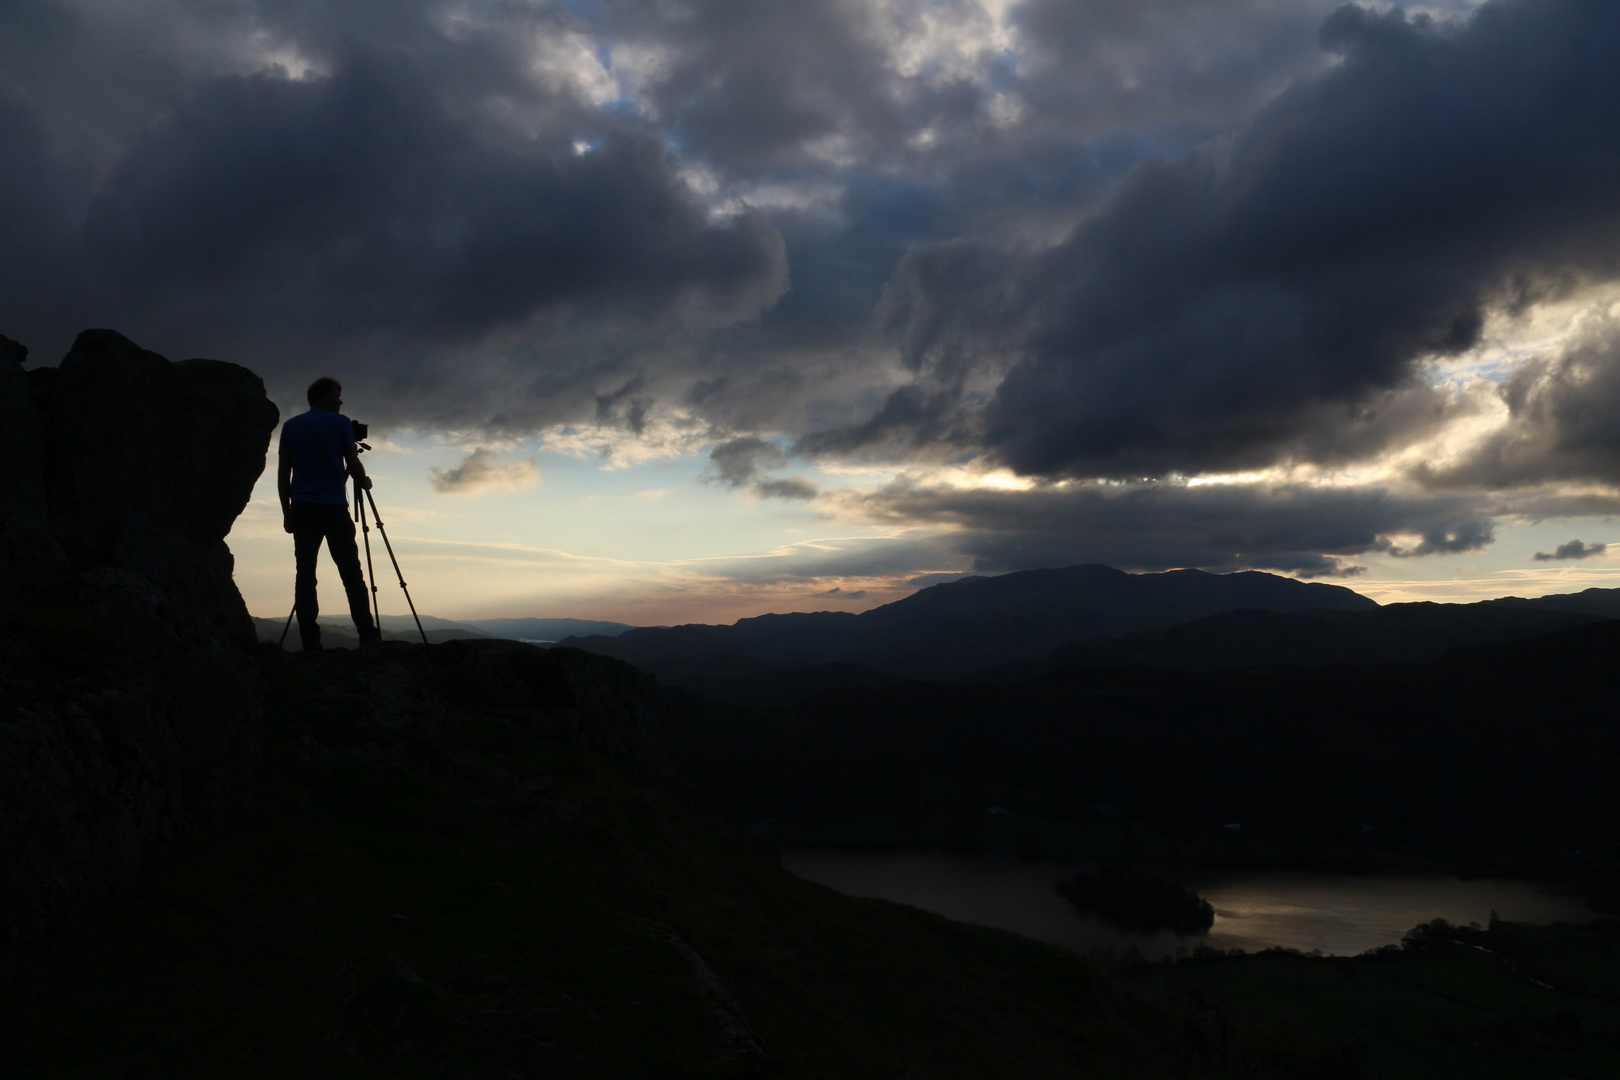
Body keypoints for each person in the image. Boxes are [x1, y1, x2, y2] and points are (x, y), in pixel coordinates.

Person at [277, 376, 380, 650]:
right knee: (351, 574)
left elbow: (283, 473)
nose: (340, 401)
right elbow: (352, 459)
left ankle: (310, 643)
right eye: (337, 395)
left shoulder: (290, 426)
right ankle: (368, 637)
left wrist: (285, 510)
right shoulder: (341, 423)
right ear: (323, 396)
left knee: (305, 575)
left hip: (302, 507)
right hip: (334, 507)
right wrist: (364, 481)